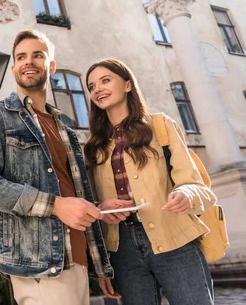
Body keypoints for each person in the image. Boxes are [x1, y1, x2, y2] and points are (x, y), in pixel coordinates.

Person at [0, 29, 113, 305]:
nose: (28, 61)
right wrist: (55, 206)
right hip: (39, 265)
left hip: (77, 260)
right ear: (13, 69)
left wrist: (98, 257)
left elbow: (73, 193)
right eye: (21, 57)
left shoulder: (65, 129)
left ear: (51, 66)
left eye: (37, 55)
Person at [84, 58, 217, 304]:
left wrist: (186, 193)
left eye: (105, 80)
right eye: (92, 86)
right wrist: (102, 263)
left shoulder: (160, 126)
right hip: (121, 252)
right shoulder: (94, 147)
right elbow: (91, 204)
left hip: (174, 239)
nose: (97, 89)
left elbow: (195, 184)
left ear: (127, 85)